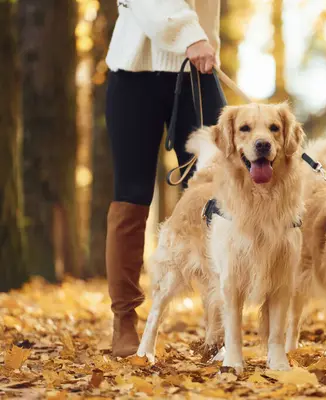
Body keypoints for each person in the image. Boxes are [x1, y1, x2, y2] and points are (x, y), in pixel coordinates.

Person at [104, 0, 225, 357]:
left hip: (197, 73)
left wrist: (201, 41)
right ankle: (124, 319)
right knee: (132, 194)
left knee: (219, 192)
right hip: (133, 73)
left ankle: (218, 323)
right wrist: (189, 34)